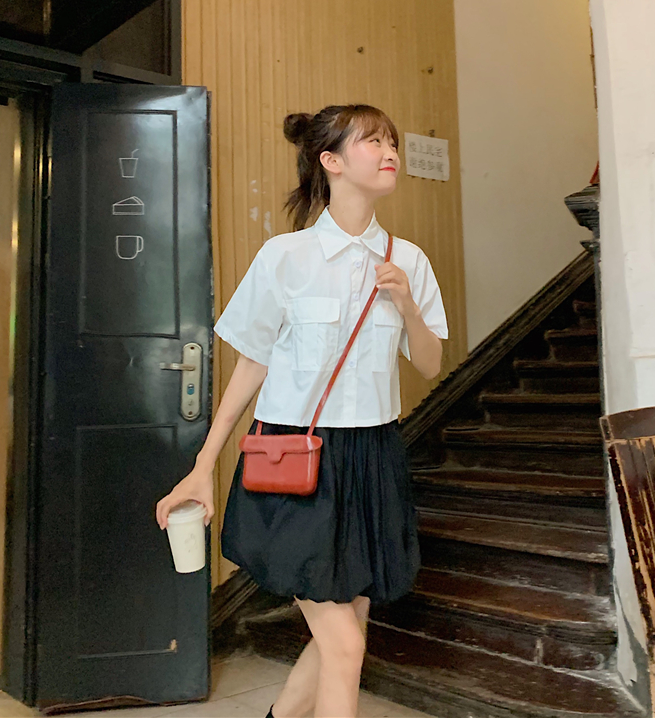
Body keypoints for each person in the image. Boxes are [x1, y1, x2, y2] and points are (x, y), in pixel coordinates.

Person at [156, 104, 448, 718]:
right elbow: (252, 366)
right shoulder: (285, 257)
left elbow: (429, 364)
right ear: (331, 161)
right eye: (373, 141)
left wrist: (407, 305)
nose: (390, 152)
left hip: (372, 455)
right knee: (345, 644)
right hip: (294, 458)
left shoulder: (409, 260)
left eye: (392, 141)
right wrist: (203, 467)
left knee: (349, 625)